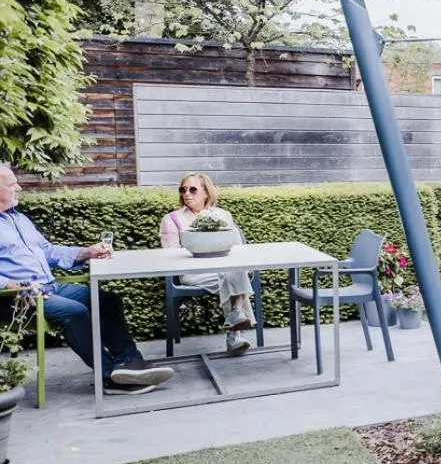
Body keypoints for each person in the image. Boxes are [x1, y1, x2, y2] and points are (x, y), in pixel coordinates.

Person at [0, 164, 173, 393]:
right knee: (75, 312)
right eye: (13, 184)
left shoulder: (19, 219)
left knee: (107, 300)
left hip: (48, 287)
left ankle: (129, 362)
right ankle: (109, 377)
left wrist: (87, 252)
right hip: (16, 298)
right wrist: (9, 284)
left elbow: (48, 251)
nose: (19, 188)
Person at [159, 172, 255, 354]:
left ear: (206, 193)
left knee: (233, 272)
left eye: (193, 189)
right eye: (183, 190)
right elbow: (170, 256)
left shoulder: (222, 215)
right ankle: (235, 329)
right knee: (236, 276)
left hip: (224, 269)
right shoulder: (172, 219)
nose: (187, 194)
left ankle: (235, 318)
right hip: (192, 272)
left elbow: (237, 247)